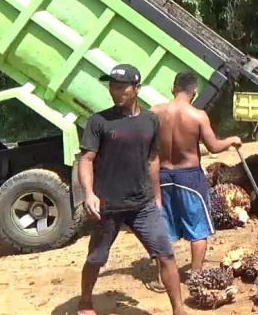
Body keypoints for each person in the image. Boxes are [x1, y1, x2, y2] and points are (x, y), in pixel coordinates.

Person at [77, 64, 186, 315]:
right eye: (112, 85)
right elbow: (86, 160)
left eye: (121, 86)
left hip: (142, 204)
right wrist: (89, 194)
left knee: (166, 255)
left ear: (137, 88)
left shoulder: (150, 120)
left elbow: (153, 160)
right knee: (97, 257)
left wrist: (157, 196)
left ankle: (179, 310)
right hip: (108, 205)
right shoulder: (99, 121)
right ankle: (85, 302)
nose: (115, 91)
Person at [147, 72, 242, 291]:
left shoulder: (155, 112)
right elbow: (214, 147)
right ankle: (196, 276)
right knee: (198, 229)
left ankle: (162, 279)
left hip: (161, 175)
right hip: (189, 177)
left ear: (173, 88)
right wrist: (231, 140)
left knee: (164, 229)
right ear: (194, 92)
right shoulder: (198, 116)